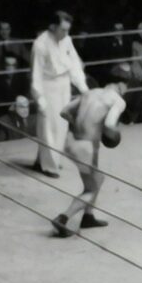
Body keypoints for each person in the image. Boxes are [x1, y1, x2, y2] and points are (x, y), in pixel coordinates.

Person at [50, 67, 129, 238]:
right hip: (85, 147)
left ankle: (88, 216)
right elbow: (109, 125)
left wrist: (82, 125)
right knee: (91, 189)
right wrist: (114, 135)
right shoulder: (118, 101)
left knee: (98, 178)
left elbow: (64, 112)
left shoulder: (90, 93)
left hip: (71, 142)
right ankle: (63, 218)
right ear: (121, 85)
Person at [29, 11, 89, 178]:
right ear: (52, 26)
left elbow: (75, 65)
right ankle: (49, 166)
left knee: (61, 125)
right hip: (48, 87)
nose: (65, 33)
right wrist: (39, 99)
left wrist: (83, 88)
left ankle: (44, 160)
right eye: (63, 30)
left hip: (64, 85)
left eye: (68, 30)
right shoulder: (40, 44)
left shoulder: (67, 40)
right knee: (49, 126)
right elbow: (36, 74)